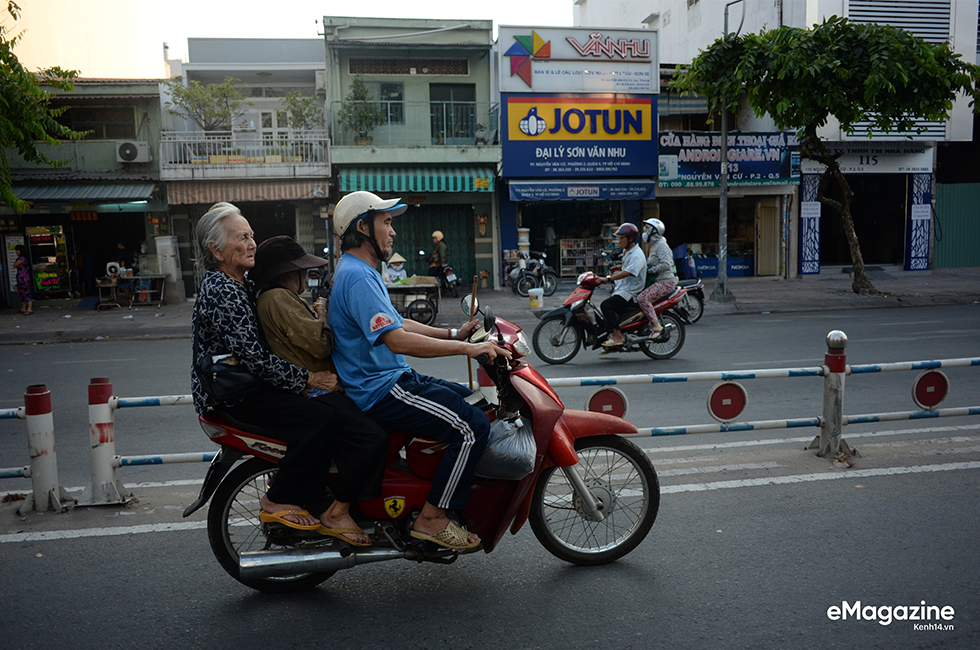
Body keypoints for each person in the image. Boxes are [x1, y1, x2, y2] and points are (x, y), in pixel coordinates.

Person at [328, 191, 510, 551]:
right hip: (382, 389)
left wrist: (451, 333)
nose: (393, 232)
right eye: (387, 222)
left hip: (394, 379)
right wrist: (468, 349)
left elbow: (400, 323)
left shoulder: (361, 271)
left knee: (475, 403)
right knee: (472, 427)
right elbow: (397, 341)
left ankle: (434, 491)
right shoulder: (359, 276)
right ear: (363, 227)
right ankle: (432, 518)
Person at [190, 202, 378, 540]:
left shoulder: (239, 284)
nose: (250, 244)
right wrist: (309, 378)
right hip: (235, 393)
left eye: (251, 236)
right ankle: (280, 499)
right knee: (317, 419)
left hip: (244, 385)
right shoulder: (223, 289)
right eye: (241, 238)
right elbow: (255, 358)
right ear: (215, 249)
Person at [250, 235, 388, 546]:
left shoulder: (280, 297)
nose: (306, 277)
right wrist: (324, 317)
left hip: (320, 388)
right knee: (372, 439)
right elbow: (320, 342)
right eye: (302, 272)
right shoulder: (276, 298)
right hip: (313, 391)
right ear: (288, 273)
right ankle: (339, 510)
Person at [597, 223, 646, 348]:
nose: (619, 241)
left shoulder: (637, 255)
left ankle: (618, 336)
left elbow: (628, 272)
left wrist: (608, 278)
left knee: (606, 306)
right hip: (623, 288)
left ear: (630, 239)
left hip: (631, 292)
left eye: (621, 238)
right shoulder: (626, 251)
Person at [637, 219, 677, 340]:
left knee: (642, 298)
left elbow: (666, 264)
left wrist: (650, 270)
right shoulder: (654, 245)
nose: (644, 232)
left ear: (653, 231)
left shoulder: (661, 246)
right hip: (657, 281)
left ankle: (656, 326)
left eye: (646, 229)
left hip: (665, 282)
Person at [13, 245, 33, 315]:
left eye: (17, 250)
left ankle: (29, 308)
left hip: (23, 278)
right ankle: (23, 308)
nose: (16, 252)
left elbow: (14, 265)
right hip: (21, 277)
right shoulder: (22, 258)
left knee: (26, 292)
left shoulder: (22, 258)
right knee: (22, 293)